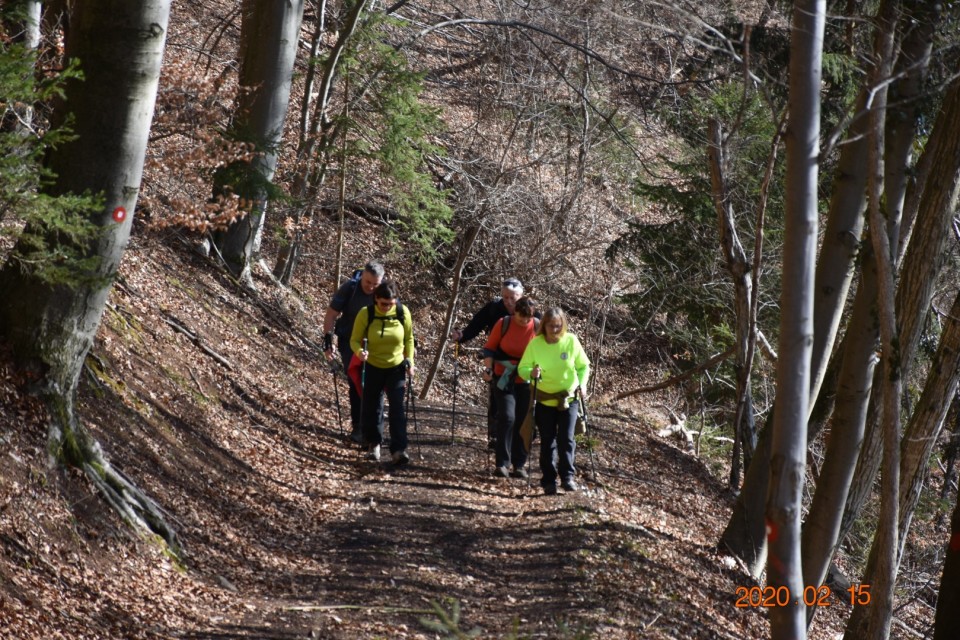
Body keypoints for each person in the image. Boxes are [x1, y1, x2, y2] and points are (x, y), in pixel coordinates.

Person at [518, 307, 590, 495]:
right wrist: (531, 373)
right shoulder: (536, 344)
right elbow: (522, 368)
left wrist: (582, 385)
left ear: (563, 325)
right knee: (548, 440)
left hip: (569, 399)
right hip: (544, 399)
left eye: (558, 326)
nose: (555, 330)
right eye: (551, 326)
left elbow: (584, 366)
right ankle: (548, 480)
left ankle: (567, 477)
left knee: (566, 438)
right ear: (544, 325)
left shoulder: (571, 341)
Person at [450, 277, 525, 449]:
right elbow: (476, 325)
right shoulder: (494, 308)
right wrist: (462, 336)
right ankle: (495, 437)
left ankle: (518, 436)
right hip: (497, 361)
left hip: (523, 364)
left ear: (520, 296)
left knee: (521, 401)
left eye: (512, 298)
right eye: (505, 297)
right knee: (497, 398)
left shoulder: (529, 310)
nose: (508, 301)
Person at [351, 280, 416, 464]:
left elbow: (409, 339)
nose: (387, 307)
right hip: (373, 365)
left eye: (391, 304)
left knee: (397, 407)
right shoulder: (366, 314)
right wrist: (359, 352)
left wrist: (410, 360)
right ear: (376, 299)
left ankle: (399, 449)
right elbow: (355, 340)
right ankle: (374, 444)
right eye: (383, 304)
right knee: (373, 406)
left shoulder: (403, 313)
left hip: (396, 366)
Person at [323, 262, 385, 443]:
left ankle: (372, 428)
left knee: (373, 384)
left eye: (375, 284)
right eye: (368, 282)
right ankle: (358, 426)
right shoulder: (349, 288)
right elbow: (331, 314)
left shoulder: (384, 291)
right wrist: (328, 340)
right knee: (356, 380)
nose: (371, 287)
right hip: (349, 342)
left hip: (376, 345)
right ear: (363, 276)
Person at [482, 297, 539, 479]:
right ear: (515, 312)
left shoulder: (537, 326)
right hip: (503, 377)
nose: (524, 322)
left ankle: (519, 464)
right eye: (521, 318)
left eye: (527, 319)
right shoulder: (503, 323)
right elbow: (490, 349)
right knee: (507, 417)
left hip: (526, 379)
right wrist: (488, 369)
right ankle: (502, 463)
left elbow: (543, 352)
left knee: (523, 422)